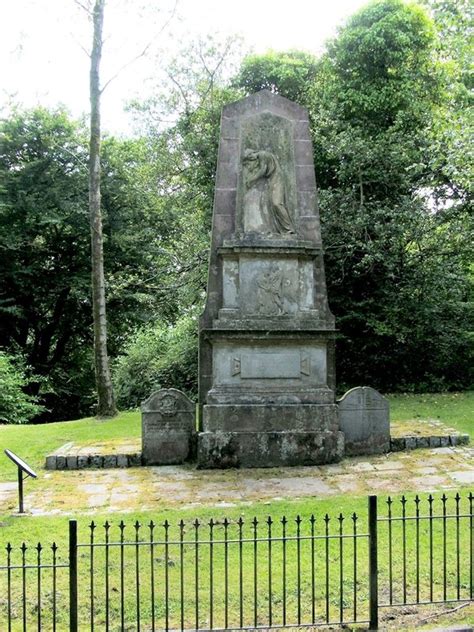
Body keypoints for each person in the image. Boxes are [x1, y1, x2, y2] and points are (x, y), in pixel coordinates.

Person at [243, 149, 295, 234]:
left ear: (252, 154)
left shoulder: (263, 154)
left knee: (277, 203)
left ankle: (288, 228)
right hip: (271, 180)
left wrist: (251, 180)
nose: (251, 158)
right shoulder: (259, 158)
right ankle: (277, 229)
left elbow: (263, 170)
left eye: (249, 156)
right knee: (269, 204)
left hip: (277, 179)